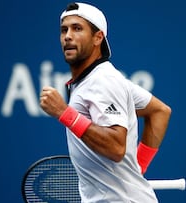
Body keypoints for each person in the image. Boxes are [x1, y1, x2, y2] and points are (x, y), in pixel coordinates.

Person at [40, 2, 171, 202]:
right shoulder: (98, 79)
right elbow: (159, 111)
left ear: (97, 37)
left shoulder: (104, 81)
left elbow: (116, 148)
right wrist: (138, 168)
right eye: (64, 30)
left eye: (77, 28)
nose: (67, 36)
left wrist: (63, 113)